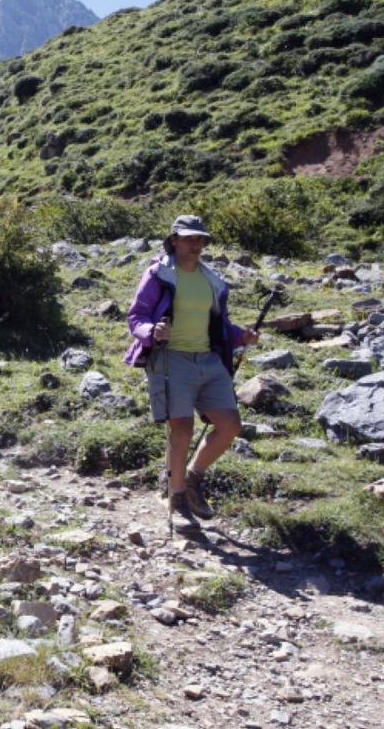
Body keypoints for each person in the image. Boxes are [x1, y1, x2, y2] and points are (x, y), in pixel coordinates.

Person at [124, 214, 259, 531]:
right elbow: (137, 316)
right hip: (171, 358)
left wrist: (241, 336)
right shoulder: (159, 274)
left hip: (209, 359)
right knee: (181, 430)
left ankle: (192, 477)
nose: (195, 244)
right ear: (174, 240)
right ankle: (177, 499)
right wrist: (152, 332)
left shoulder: (211, 279)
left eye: (200, 239)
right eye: (188, 238)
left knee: (230, 425)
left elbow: (220, 324)